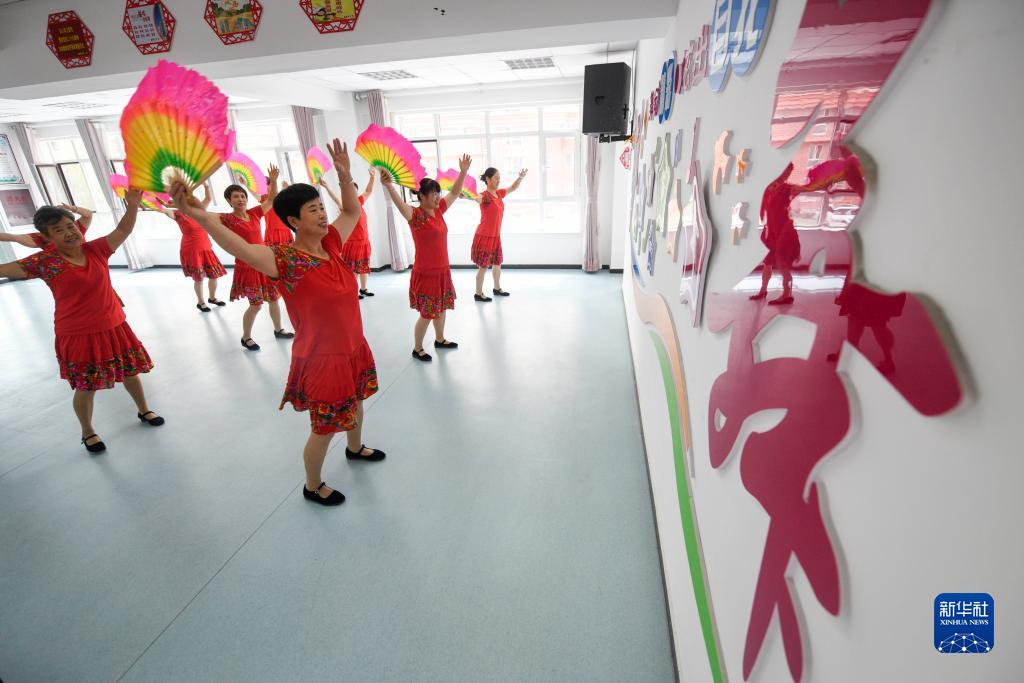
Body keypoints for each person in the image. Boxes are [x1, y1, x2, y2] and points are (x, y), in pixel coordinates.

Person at [168, 138, 384, 507]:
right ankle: (312, 485)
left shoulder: (332, 244)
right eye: (313, 210)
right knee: (324, 427)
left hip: (353, 347)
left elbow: (351, 211)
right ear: (293, 221)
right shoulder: (283, 260)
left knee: (358, 400)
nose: (322, 214)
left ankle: (355, 447)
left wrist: (345, 175)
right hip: (322, 358)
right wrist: (196, 213)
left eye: (321, 207)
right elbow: (236, 246)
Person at [0, 191, 164, 453]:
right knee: (86, 386)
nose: (69, 232)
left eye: (70, 226)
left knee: (130, 372)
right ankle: (88, 431)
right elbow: (4, 269)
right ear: (47, 238)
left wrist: (133, 205)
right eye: (59, 230)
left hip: (115, 325)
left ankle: (144, 410)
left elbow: (123, 230)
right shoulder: (45, 262)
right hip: (78, 334)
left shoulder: (96, 249)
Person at [381, 155, 471, 361]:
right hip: (426, 273)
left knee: (441, 307)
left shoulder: (439, 211)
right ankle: (418, 348)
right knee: (427, 313)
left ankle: (440, 339)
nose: (437, 197)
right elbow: (399, 204)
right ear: (421, 196)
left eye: (438, 193)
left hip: (442, 271)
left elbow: (455, 192)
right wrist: (389, 185)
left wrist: (463, 172)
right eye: (433, 193)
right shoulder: (415, 216)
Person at [219, 165, 294, 350]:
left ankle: (278, 329)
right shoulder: (227, 219)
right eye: (235, 197)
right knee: (256, 305)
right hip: (248, 266)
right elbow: (204, 218)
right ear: (229, 200)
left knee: (274, 298)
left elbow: (271, 199)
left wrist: (274, 181)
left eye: (242, 196)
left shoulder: (254, 213)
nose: (240, 199)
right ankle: (246, 337)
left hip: (264, 263)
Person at [154, 186, 227, 312]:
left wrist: (206, 186)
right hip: (192, 250)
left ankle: (212, 298)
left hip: (206, 248)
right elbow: (166, 211)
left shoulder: (199, 210)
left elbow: (208, 198)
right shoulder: (178, 214)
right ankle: (201, 302)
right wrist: (158, 206)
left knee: (214, 275)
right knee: (199, 278)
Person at [471, 167, 527, 301]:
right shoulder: (485, 196)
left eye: (499, 178)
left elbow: (513, 187)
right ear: (488, 179)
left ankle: (497, 288)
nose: (498, 180)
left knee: (497, 263)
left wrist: (520, 177)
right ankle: (478, 294)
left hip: (495, 236)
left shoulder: (499, 194)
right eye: (496, 178)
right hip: (485, 236)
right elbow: (477, 198)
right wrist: (467, 196)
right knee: (483, 267)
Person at [320, 169, 376, 298]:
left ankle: (363, 289)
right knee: (353, 270)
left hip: (364, 241)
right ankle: (353, 292)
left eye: (354, 191)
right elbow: (335, 198)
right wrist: (327, 186)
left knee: (363, 267)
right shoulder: (345, 206)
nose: (352, 194)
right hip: (353, 243)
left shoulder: (360, 201)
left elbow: (368, 191)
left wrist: (372, 177)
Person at [0, 203, 92, 251]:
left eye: (69, 226)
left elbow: (88, 215)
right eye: (59, 230)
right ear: (46, 235)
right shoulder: (41, 238)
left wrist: (72, 208)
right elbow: (13, 237)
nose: (69, 234)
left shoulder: (75, 228)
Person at [262, 179, 294, 247]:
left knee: (288, 251)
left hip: (284, 228)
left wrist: (287, 188)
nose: (267, 187)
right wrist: (246, 185)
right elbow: (256, 196)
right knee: (274, 252)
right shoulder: (264, 198)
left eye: (268, 184)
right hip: (272, 230)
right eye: (264, 185)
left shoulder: (280, 196)